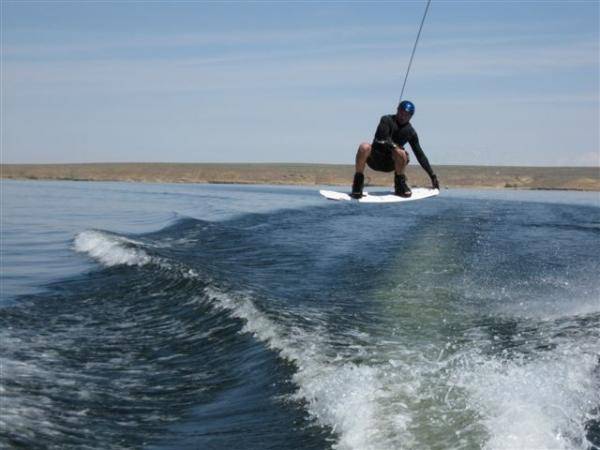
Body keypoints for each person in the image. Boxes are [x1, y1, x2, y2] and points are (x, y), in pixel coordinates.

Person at [351, 100, 439, 198]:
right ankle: (357, 184)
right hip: (375, 159)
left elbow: (420, 155)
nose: (403, 116)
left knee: (402, 153)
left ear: (411, 116)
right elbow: (381, 138)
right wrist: (395, 147)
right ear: (397, 110)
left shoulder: (411, 132)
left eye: (407, 115)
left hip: (391, 163)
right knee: (364, 147)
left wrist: (432, 175)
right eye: (401, 112)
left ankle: (399, 185)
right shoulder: (386, 120)